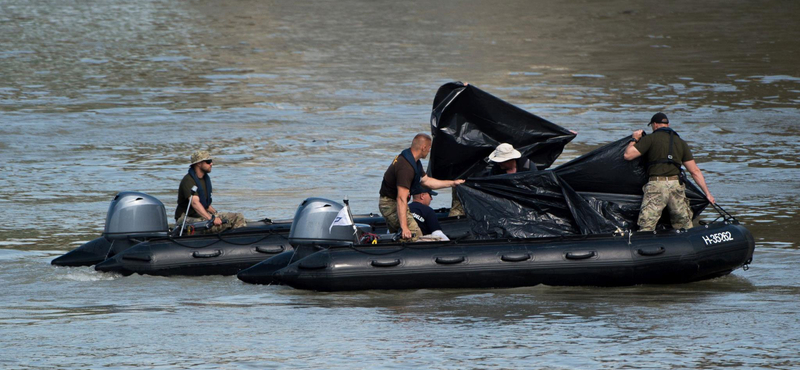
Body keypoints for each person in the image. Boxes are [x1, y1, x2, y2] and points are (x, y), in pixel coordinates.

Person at [623, 112, 715, 232]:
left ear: (655, 125)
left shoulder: (650, 139)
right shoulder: (680, 142)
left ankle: (645, 246)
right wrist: (707, 193)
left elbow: (628, 155)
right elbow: (695, 171)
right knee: (684, 225)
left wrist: (634, 138)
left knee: (647, 226)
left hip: (656, 186)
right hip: (676, 186)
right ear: (668, 124)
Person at [379, 133, 464, 241]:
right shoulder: (406, 167)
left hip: (394, 202)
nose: (429, 151)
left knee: (403, 237)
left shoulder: (414, 161)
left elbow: (427, 181)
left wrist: (452, 183)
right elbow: (401, 198)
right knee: (415, 235)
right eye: (429, 148)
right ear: (424, 147)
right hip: (390, 204)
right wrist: (404, 227)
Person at [449, 143, 530, 217]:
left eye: (501, 161)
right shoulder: (496, 169)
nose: (499, 163)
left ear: (510, 160)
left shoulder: (527, 166)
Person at [175, 150, 246, 234]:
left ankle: (235, 241)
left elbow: (205, 204)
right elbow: (195, 203)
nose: (211, 164)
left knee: (238, 217)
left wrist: (216, 214)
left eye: (211, 161)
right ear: (198, 163)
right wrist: (211, 219)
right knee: (215, 224)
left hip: (201, 215)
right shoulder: (188, 181)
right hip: (186, 219)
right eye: (208, 162)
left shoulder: (205, 179)